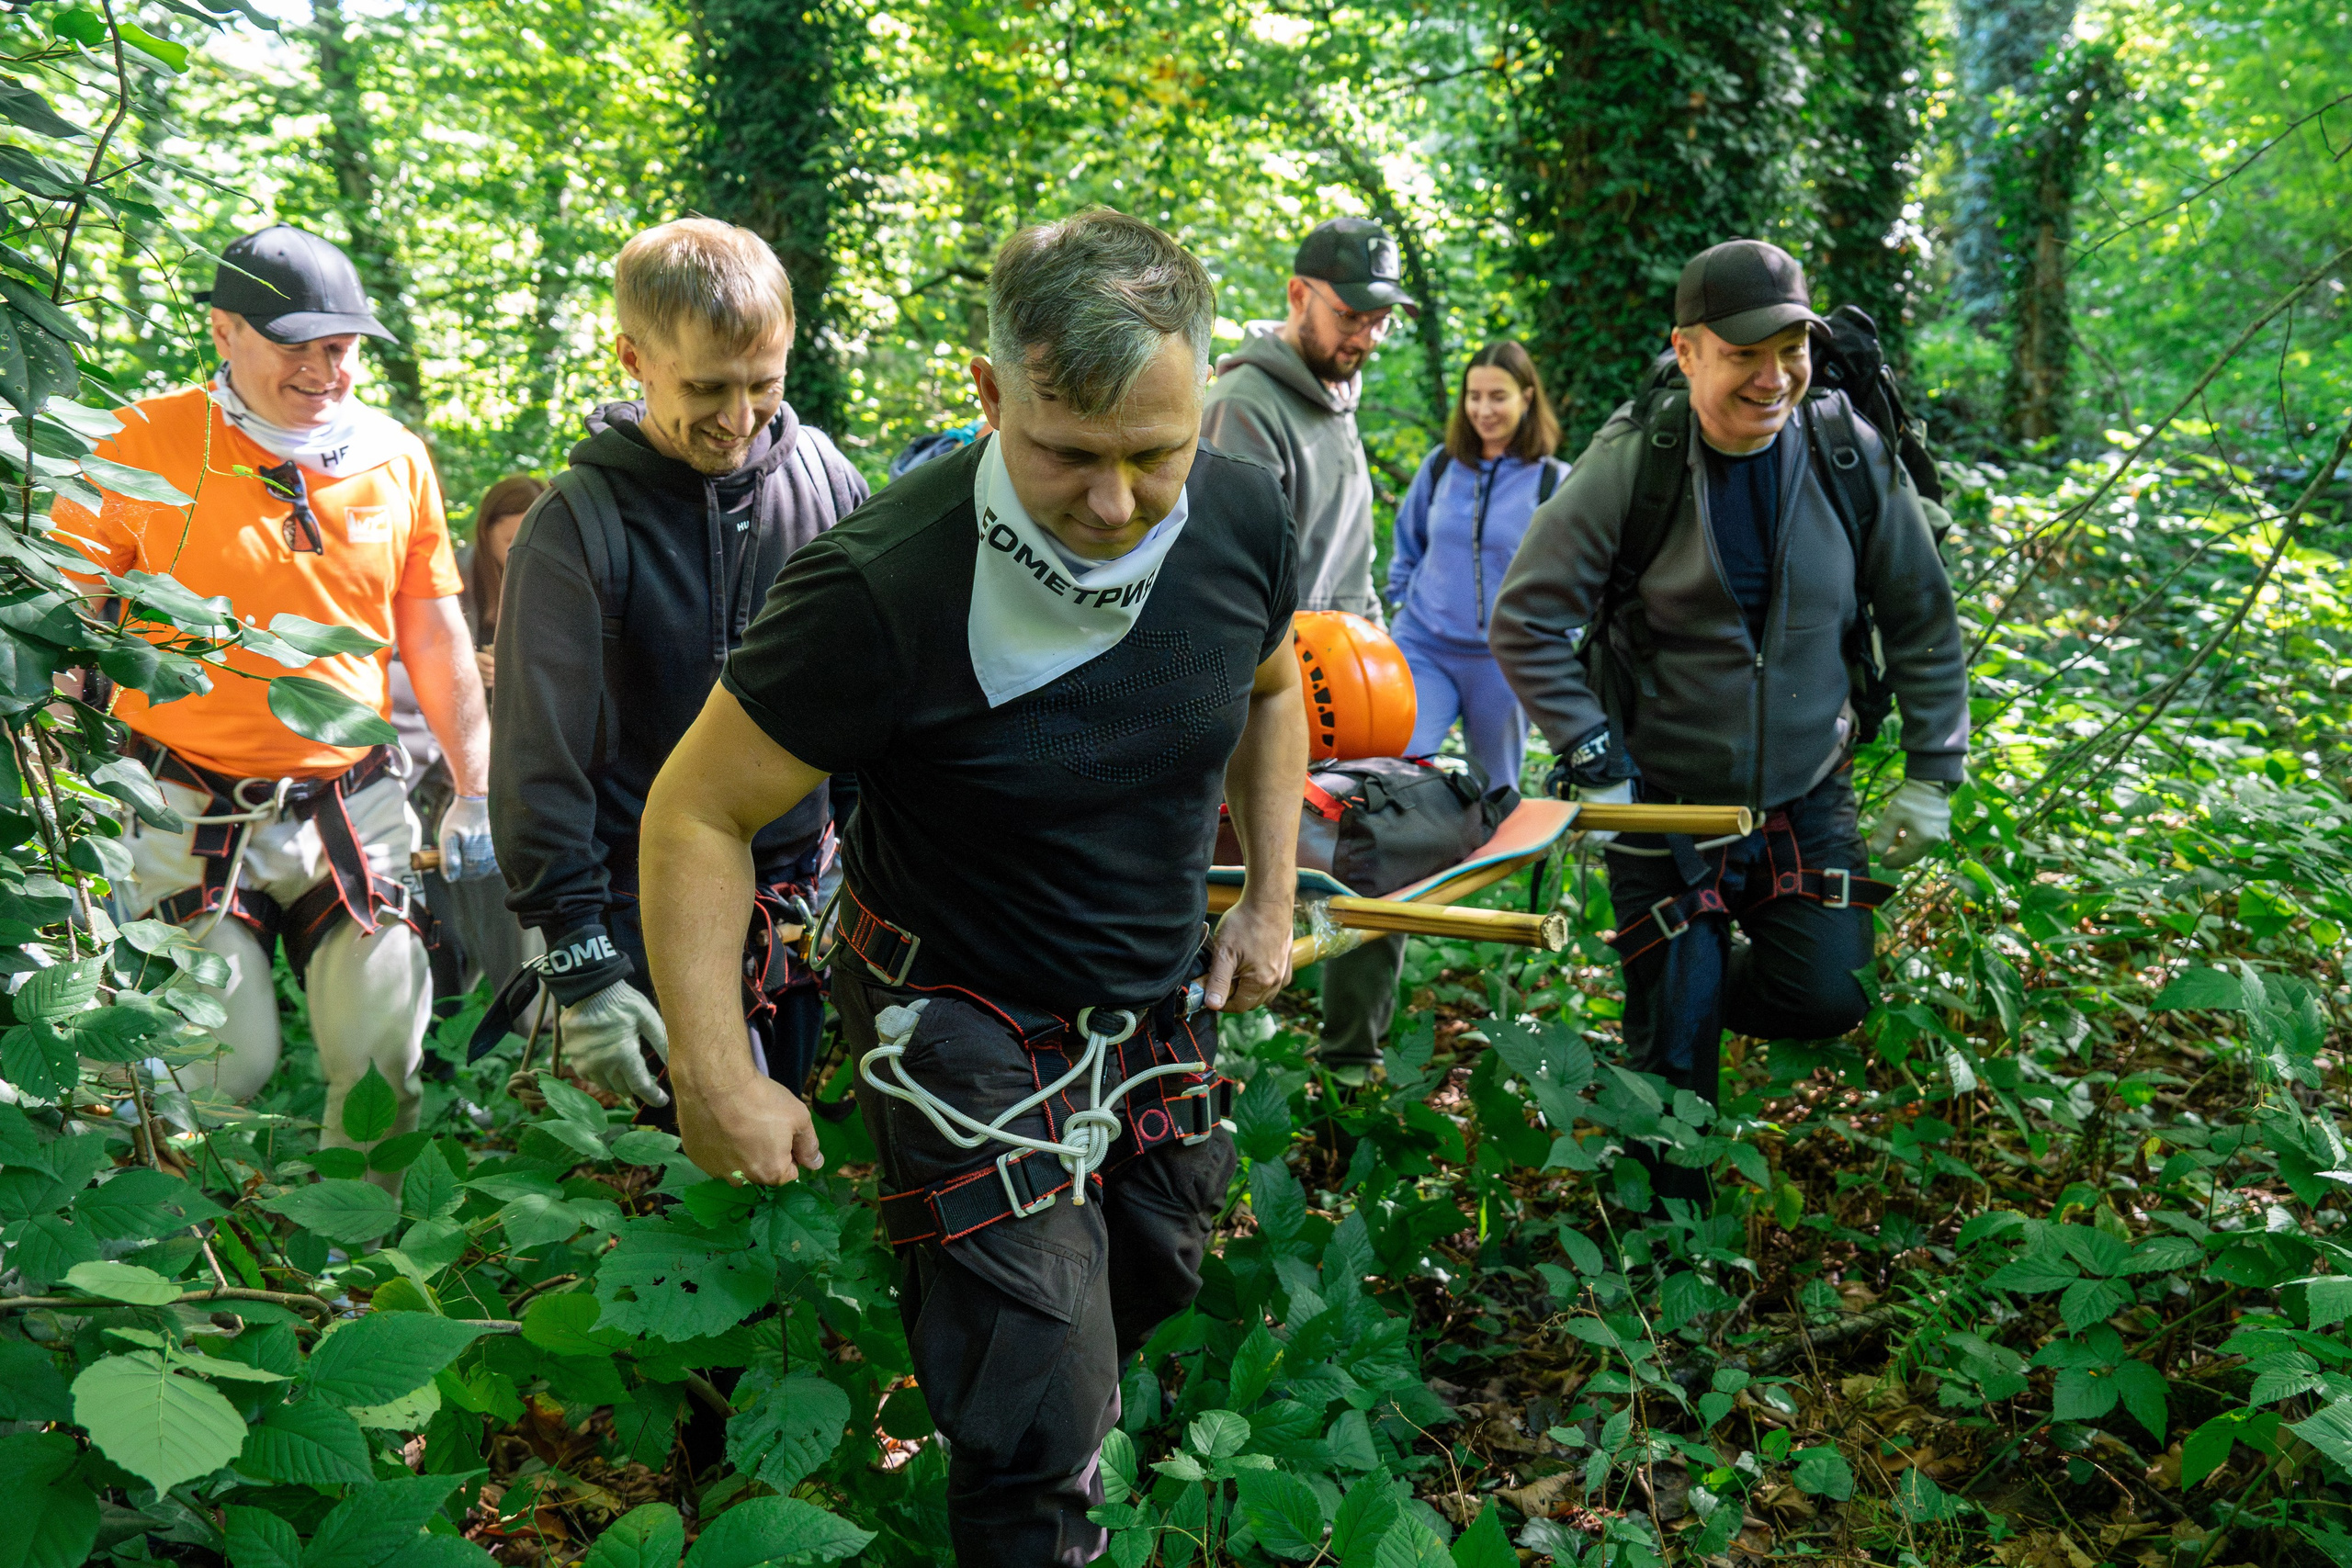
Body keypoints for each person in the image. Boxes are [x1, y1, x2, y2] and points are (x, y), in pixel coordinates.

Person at [638, 210, 1303, 1564]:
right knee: (1035, 1395)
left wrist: (1269, 898)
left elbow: (1273, 683)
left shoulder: (1239, 515)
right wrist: (717, 1070)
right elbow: (696, 809)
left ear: (1206, 402)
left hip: (1152, 999)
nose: (1115, 503)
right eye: (1069, 453)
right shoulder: (882, 584)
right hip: (953, 1004)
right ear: (991, 394)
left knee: (1149, 1283)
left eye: (1153, 454)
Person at [1489, 239, 1968, 1203]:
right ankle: (1671, 1260)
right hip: (1661, 799)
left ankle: (1689, 987)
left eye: (1791, 346)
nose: (1772, 374)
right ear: (1688, 348)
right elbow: (1526, 619)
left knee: (1828, 993)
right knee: (1673, 1068)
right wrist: (1594, 759)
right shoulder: (1637, 462)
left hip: (1806, 785)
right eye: (1744, 351)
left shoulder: (1844, 451)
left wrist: (1931, 773)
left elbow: (1920, 612)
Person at [59, 224, 494, 1169]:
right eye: (294, 346)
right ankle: (195, 1284)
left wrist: (477, 787)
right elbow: (64, 620)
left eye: (339, 347)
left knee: (385, 1058)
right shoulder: (141, 446)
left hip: (351, 799)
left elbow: (432, 631)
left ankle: (362, 1273)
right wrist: (53, 783)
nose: (323, 370)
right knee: (220, 1069)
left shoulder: (392, 455)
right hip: (183, 802)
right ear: (224, 331)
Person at [487, 218, 866, 1109]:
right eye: (706, 388)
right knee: (674, 1202)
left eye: (762, 385)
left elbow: (867, 695)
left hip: (795, 908)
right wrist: (580, 967)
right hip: (637, 910)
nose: (737, 420)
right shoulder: (576, 526)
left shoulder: (828, 486)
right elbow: (539, 766)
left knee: (785, 1166)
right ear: (634, 358)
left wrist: (867, 860)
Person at [1202, 216, 1415, 1081]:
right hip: (1267, 693)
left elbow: (1349, 569)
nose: (1367, 334)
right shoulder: (1245, 407)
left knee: (1389, 854)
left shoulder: (1337, 399)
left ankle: (1349, 1072)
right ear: (1298, 296)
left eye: (1381, 319)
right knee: (1272, 876)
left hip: (1348, 691)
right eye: (1351, 314)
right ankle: (1197, 1073)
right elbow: (1236, 588)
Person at [1387, 341, 1566, 795]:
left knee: (1497, 792)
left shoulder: (1553, 481)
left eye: (1497, 396)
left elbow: (1574, 577)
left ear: (1527, 397)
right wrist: (1402, 600)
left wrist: (1556, 640)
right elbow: (1408, 543)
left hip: (1503, 659)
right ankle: (1419, 865)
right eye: (1474, 396)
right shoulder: (1442, 465)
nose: (1483, 409)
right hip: (1425, 647)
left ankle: (1491, 867)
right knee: (1399, 768)